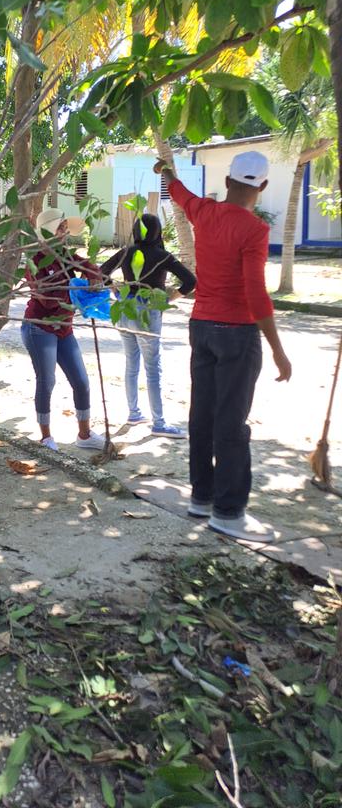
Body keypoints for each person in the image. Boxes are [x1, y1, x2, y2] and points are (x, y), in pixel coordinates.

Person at [155, 151, 292, 542]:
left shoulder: (204, 211)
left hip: (202, 327)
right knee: (231, 423)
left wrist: (165, 171)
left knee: (202, 415)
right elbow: (255, 294)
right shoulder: (254, 230)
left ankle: (202, 496)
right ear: (262, 187)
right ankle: (228, 513)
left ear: (229, 180)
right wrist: (278, 349)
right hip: (236, 333)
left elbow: (179, 192)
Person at [101, 213, 196, 438]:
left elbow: (101, 272)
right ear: (157, 232)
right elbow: (191, 281)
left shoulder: (127, 252)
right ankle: (159, 423)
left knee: (131, 363)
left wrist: (114, 288)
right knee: (153, 368)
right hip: (149, 309)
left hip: (125, 307)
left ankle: (134, 413)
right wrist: (171, 297)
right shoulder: (162, 255)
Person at [21, 207, 105, 452]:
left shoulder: (64, 255)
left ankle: (85, 434)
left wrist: (93, 277)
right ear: (48, 230)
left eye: (66, 228)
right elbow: (46, 299)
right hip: (40, 327)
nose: (65, 232)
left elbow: (90, 267)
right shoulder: (35, 259)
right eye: (60, 227)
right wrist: (76, 293)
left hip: (64, 328)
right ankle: (46, 437)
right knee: (46, 381)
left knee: (81, 381)